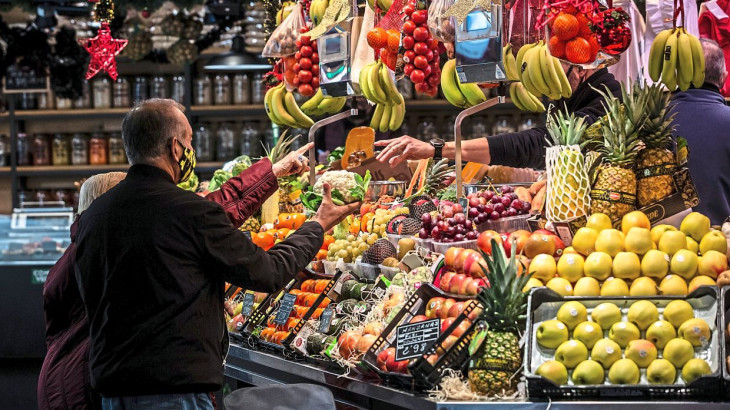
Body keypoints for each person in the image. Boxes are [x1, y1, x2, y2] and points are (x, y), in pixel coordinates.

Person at [74, 99, 359, 409]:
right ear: (175, 147)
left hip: (113, 394)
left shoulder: (93, 217)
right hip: (176, 393)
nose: (190, 151)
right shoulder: (190, 213)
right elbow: (269, 272)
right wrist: (317, 225)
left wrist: (271, 173)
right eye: (190, 143)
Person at [39, 139, 319, 410]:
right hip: (87, 388)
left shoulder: (91, 243)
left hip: (87, 382)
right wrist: (318, 225)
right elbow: (258, 268)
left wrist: (271, 172)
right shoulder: (109, 250)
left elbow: (203, 215)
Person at [375, 65, 622, 169]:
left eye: (554, 64)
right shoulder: (567, 92)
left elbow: (538, 145)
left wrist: (438, 149)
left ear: (583, 66)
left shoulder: (608, 102)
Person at [669, 38, 730, 225]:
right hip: (722, 245)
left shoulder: (655, 123)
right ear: (724, 77)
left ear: (677, 76)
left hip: (660, 244)